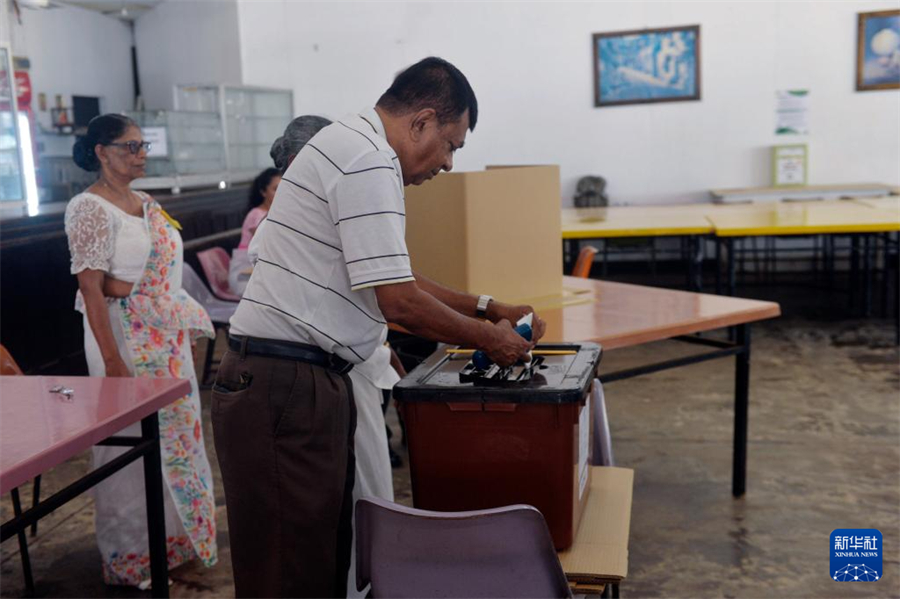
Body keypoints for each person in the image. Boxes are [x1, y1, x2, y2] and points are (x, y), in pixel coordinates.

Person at [211, 57, 546, 598]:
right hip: (284, 382)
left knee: (318, 553)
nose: (449, 163)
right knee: (290, 570)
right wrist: (490, 338)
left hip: (296, 380)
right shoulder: (367, 159)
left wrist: (488, 307)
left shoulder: (355, 145)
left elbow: (394, 275)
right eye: (452, 144)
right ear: (422, 121)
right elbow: (399, 302)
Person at [64, 114, 218, 587]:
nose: (141, 154)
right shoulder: (89, 208)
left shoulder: (146, 202)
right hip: (122, 338)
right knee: (128, 446)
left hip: (164, 340)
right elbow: (92, 289)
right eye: (130, 147)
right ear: (101, 152)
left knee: (180, 440)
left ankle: (173, 545)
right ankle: (131, 556)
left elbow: (158, 275)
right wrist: (112, 362)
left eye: (143, 145)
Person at [269, 114, 404, 598]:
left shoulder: (350, 196)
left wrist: (481, 308)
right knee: (350, 503)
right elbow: (395, 295)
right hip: (321, 375)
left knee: (368, 496)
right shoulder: (295, 220)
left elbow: (384, 285)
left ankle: (369, 583)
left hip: (355, 366)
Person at [228, 167, 281, 295]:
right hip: (243, 274)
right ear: (263, 192)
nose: (281, 193)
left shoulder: (274, 213)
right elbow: (267, 245)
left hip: (258, 272)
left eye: (283, 188)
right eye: (275, 189)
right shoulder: (256, 215)